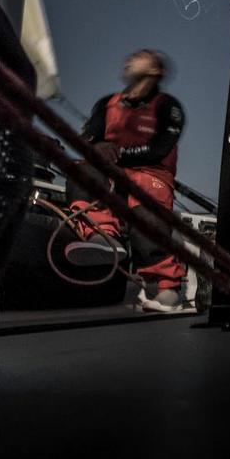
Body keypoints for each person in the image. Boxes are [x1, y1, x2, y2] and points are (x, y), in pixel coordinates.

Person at [71, 49, 187, 312]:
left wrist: (119, 153)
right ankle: (102, 238)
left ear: (157, 70)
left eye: (141, 56)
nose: (130, 58)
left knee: (147, 215)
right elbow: (90, 137)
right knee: (81, 169)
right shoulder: (106, 104)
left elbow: (161, 147)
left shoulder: (168, 106)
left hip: (151, 175)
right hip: (110, 172)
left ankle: (166, 288)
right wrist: (96, 147)